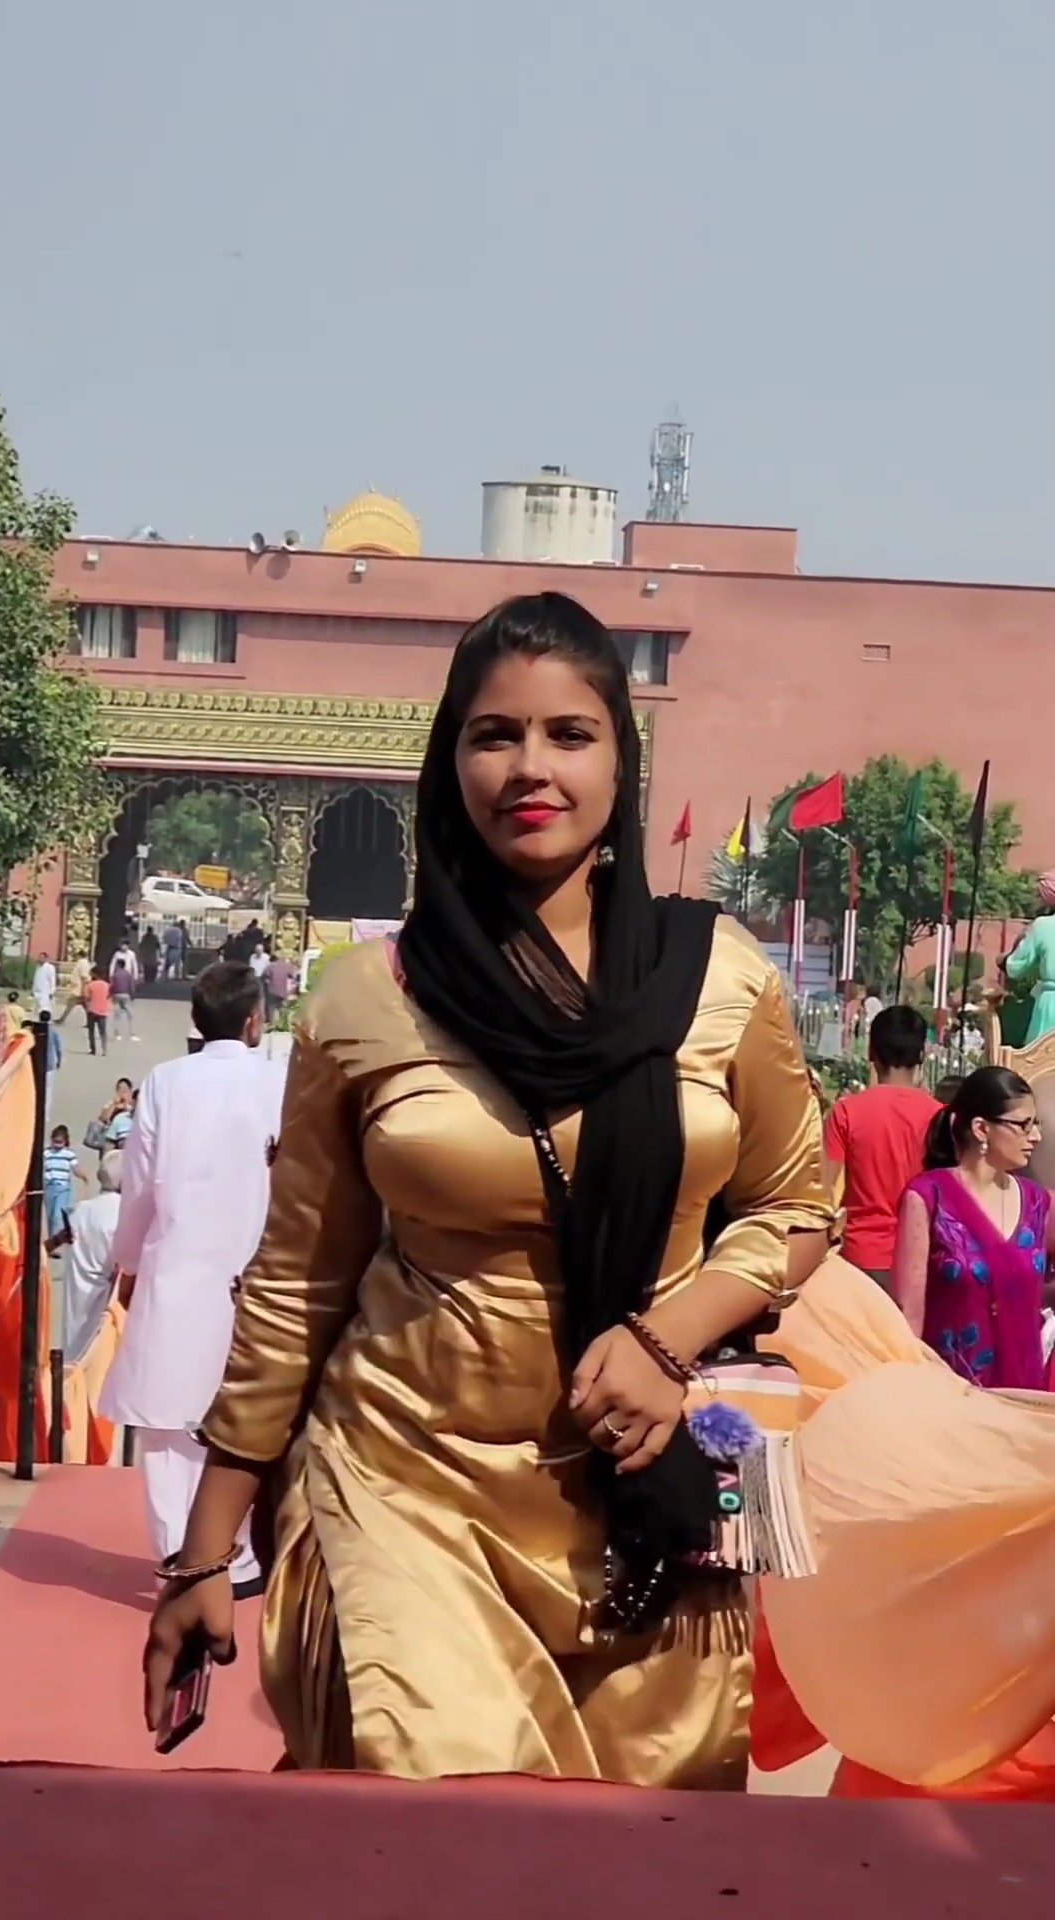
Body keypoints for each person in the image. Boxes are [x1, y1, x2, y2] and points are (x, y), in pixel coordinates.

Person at [142, 591, 835, 1779]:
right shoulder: (369, 998)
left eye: (571, 734)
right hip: (405, 1485)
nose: (531, 768)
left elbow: (797, 1205)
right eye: (494, 734)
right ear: (449, 762)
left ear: (621, 761)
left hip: (648, 1490)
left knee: (639, 1856)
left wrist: (667, 1338)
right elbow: (299, 1284)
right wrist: (205, 1551)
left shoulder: (717, 978)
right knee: (440, 1835)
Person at [100, 962, 287, 1603]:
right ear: (255, 1019)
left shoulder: (165, 1082)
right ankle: (235, 1560)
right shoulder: (280, 1081)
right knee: (243, 1417)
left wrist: (127, 1264)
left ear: (196, 1020)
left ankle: (182, 1555)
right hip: (259, 1273)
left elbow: (139, 1186)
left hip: (177, 1265)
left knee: (165, 1423)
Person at [891, 1065, 1051, 1389]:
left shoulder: (1038, 1202)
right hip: (949, 1391)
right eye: (1023, 1125)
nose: (1035, 1136)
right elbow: (910, 1313)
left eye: (1036, 1124)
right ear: (981, 1128)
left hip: (1024, 1391)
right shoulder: (929, 1197)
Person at [823, 1006, 941, 1288]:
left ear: (871, 1052)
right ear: (922, 1054)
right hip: (922, 1257)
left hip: (859, 1259)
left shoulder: (846, 1113)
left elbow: (822, 1191)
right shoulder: (941, 1116)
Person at [62, 1151, 124, 1366]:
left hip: (76, 1294)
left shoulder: (80, 1210)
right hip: (106, 1298)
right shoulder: (122, 1213)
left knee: (74, 1354)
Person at [999, 876, 1055, 1046]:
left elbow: (1016, 967)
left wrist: (1004, 960)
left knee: (1041, 1058)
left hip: (1050, 1007)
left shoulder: (1042, 926)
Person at [44, 1125, 88, 1244]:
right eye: (55, 1142)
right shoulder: (46, 1153)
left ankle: (57, 1242)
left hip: (63, 1188)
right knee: (50, 1216)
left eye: (60, 1142)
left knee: (58, 1216)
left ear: (65, 1141)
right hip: (49, 1187)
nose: (57, 1145)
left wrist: (83, 1176)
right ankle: (53, 1239)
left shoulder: (69, 1154)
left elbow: (75, 1168)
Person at [110, 951, 137, 1042]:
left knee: (117, 1015)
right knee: (130, 1015)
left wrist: (110, 995)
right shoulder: (127, 974)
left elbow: (112, 986)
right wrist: (132, 995)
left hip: (117, 995)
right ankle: (132, 1034)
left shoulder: (115, 975)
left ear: (118, 965)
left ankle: (117, 1034)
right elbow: (131, 985)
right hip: (125, 995)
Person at [83, 967, 111, 1056]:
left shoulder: (89, 985)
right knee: (103, 1031)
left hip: (92, 1010)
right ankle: (104, 1050)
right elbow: (109, 997)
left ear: (95, 974)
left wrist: (87, 1007)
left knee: (91, 1031)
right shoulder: (107, 985)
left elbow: (86, 998)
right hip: (103, 1010)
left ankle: (93, 1049)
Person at [32, 952, 57, 1017]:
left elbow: (52, 980)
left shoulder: (50, 967)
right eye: (39, 957)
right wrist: (33, 989)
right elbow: (36, 979)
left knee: (44, 1009)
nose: (40, 959)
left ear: (46, 958)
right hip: (37, 991)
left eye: (42, 958)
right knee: (37, 1011)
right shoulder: (38, 967)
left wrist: (52, 992)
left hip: (45, 992)